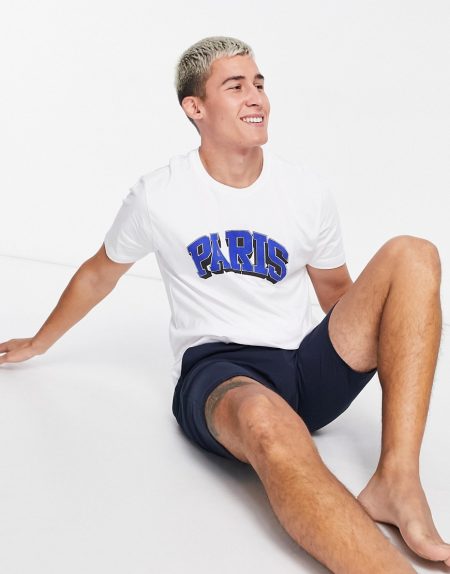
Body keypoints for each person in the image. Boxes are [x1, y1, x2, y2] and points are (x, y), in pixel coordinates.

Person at [0, 35, 448, 573]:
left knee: (414, 254)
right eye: (235, 87)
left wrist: (393, 331)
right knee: (263, 417)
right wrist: (39, 341)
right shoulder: (159, 195)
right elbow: (99, 273)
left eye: (258, 83)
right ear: (195, 108)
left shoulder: (305, 190)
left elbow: (335, 293)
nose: (255, 97)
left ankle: (397, 481)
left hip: (303, 368)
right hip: (220, 373)